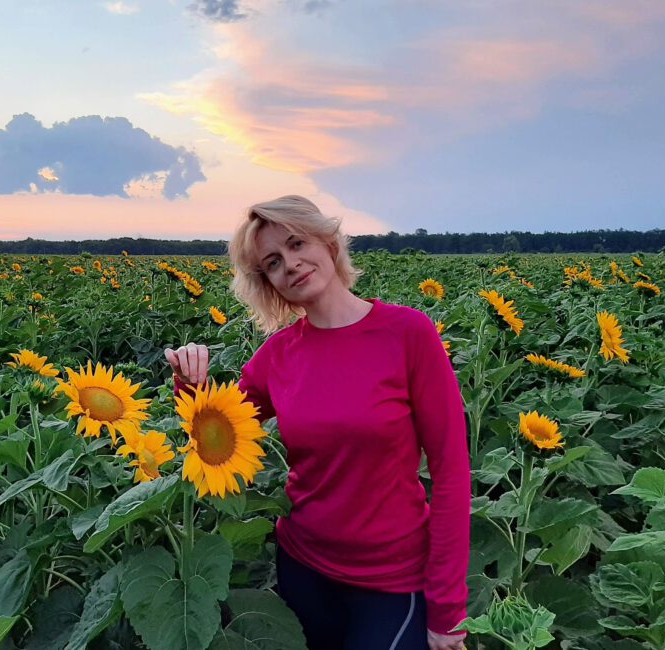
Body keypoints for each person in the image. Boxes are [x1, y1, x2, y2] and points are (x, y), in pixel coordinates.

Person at [164, 195, 470, 650]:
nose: (291, 263)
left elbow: (451, 473)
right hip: (303, 570)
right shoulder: (278, 355)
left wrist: (447, 609)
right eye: (272, 262)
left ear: (328, 241)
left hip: (391, 578)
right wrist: (190, 385)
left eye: (296, 243)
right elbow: (219, 435)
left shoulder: (409, 334)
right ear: (268, 282)